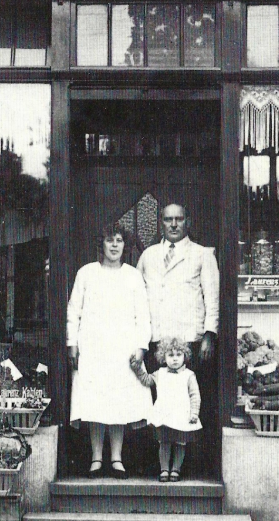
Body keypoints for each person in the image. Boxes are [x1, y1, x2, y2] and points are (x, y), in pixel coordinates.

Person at [136, 202, 219, 473]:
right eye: (168, 219)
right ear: (161, 222)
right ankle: (157, 465)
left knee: (189, 402)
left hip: (188, 341)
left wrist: (209, 334)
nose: (173, 224)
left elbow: (212, 296)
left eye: (179, 219)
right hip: (156, 341)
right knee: (159, 404)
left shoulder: (202, 254)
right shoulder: (148, 255)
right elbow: (136, 297)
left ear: (187, 222)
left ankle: (189, 466)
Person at [66, 223, 153, 479]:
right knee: (95, 401)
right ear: (101, 245)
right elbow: (73, 311)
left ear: (125, 246)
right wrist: (72, 344)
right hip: (93, 347)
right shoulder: (86, 273)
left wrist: (140, 347)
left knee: (118, 403)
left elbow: (143, 316)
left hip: (123, 349)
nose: (114, 245)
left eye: (119, 240)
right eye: (109, 240)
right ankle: (96, 457)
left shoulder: (133, 276)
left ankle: (116, 457)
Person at [136, 336, 201, 482]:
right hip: (164, 415)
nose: (175, 359)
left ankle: (176, 470)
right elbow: (147, 380)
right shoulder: (160, 374)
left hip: (181, 414)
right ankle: (164, 469)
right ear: (164, 357)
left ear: (185, 356)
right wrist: (138, 368)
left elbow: (194, 395)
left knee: (180, 443)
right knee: (164, 442)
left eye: (179, 355)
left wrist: (194, 413)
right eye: (171, 355)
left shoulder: (189, 375)